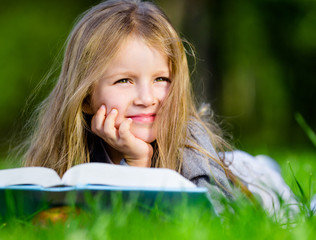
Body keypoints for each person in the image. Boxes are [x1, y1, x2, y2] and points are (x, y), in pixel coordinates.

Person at [22, 0, 299, 217]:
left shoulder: (190, 145)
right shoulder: (70, 153)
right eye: (125, 80)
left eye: (161, 79)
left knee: (280, 192)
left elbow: (215, 219)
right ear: (85, 97)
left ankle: (265, 166)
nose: (146, 98)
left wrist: (139, 162)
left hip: (251, 182)